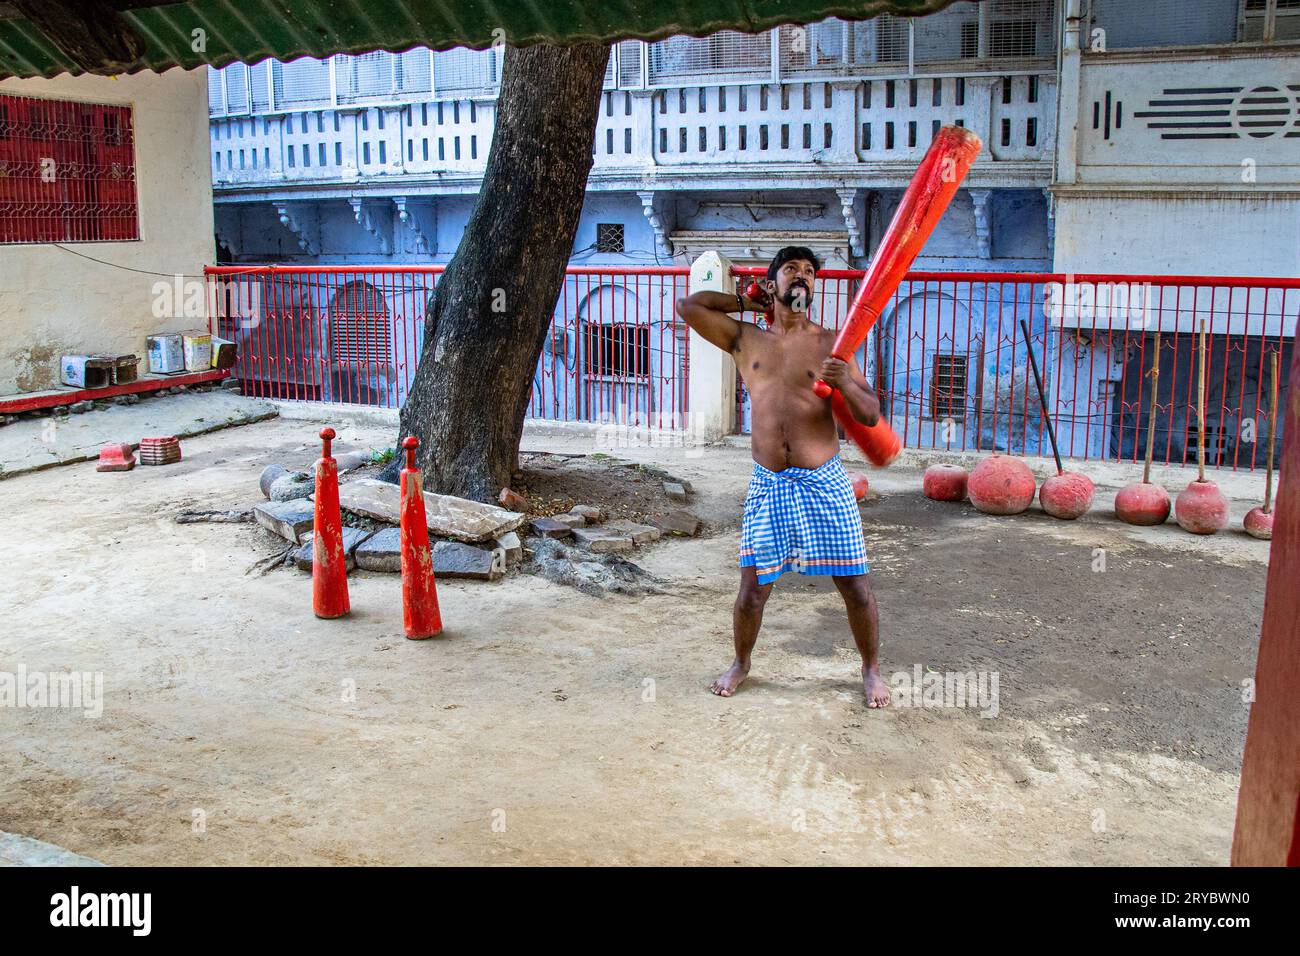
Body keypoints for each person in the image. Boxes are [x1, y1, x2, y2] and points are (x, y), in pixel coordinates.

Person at [675, 247, 891, 707]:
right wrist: (747, 303)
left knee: (855, 587)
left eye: (810, 272)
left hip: (825, 483)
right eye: (792, 269)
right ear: (772, 283)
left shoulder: (832, 344)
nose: (803, 277)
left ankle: (871, 670)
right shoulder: (745, 340)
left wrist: (846, 382)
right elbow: (689, 306)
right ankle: (741, 664)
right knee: (752, 593)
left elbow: (871, 416)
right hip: (769, 485)